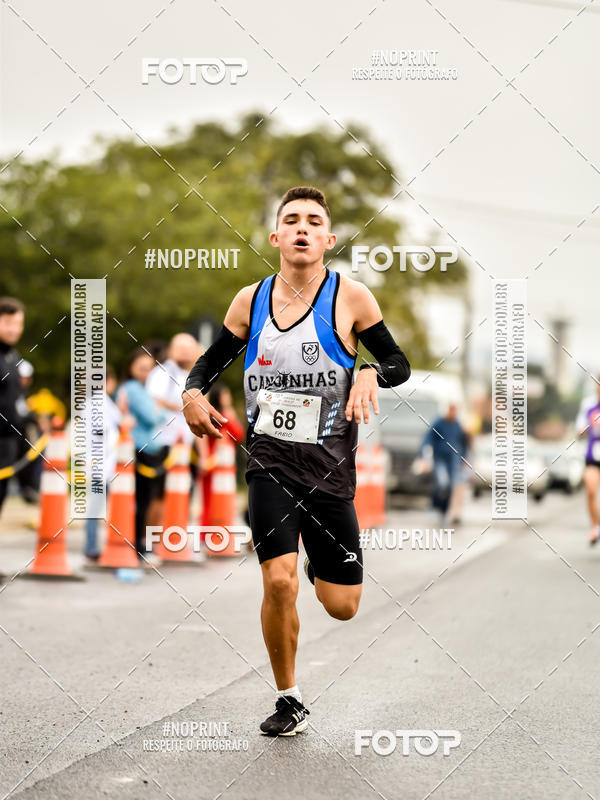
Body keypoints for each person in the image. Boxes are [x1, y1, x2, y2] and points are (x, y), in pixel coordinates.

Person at [182, 186, 410, 736]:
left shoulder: (351, 298)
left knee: (343, 606)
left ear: (328, 239)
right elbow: (207, 365)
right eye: (292, 220)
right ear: (276, 236)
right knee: (277, 583)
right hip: (269, 463)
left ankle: (318, 562)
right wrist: (191, 394)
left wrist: (368, 370)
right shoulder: (250, 300)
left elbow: (398, 362)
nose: (302, 228)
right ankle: (289, 697)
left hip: (330, 468)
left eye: (313, 221)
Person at [146, 333, 202, 527]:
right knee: (159, 494)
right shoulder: (161, 373)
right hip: (164, 443)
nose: (186, 353)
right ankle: (150, 541)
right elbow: (154, 399)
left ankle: (173, 538)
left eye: (190, 349)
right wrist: (186, 406)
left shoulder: (189, 375)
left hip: (185, 445)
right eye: (182, 349)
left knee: (183, 491)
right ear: (171, 351)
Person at [120, 348, 168, 560]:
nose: (145, 373)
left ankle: (141, 543)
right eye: (141, 368)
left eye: (149, 369)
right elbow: (152, 416)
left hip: (152, 449)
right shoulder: (131, 388)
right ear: (131, 368)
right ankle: (138, 545)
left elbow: (163, 414)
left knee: (148, 500)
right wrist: (157, 408)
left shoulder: (145, 390)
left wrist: (158, 409)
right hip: (140, 450)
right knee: (142, 500)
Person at [84, 367, 123, 562]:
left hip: (99, 462)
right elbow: (105, 433)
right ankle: (91, 547)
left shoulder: (96, 403)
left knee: (97, 507)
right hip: (101, 463)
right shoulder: (99, 403)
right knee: (96, 508)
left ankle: (93, 545)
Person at [199, 383, 245, 532]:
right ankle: (207, 532)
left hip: (225, 464)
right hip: (214, 462)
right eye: (225, 395)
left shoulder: (224, 414)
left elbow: (238, 436)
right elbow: (238, 433)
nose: (228, 398)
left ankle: (219, 531)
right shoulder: (218, 416)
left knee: (221, 500)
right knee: (209, 500)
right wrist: (204, 457)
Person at [419, 402, 466, 524]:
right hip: (440, 458)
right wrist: (425, 453)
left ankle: (444, 511)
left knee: (450, 486)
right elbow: (428, 438)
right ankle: (434, 507)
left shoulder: (457, 425)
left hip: (453, 459)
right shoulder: (439, 423)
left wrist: (463, 459)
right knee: (442, 483)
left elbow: (463, 442)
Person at [0, 298, 26, 515]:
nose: (14, 329)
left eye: (18, 323)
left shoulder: (13, 356)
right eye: (8, 322)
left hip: (8, 441)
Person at [575, 378, 600, 545]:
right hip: (593, 456)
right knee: (590, 489)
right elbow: (580, 431)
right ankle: (595, 526)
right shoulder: (588, 405)